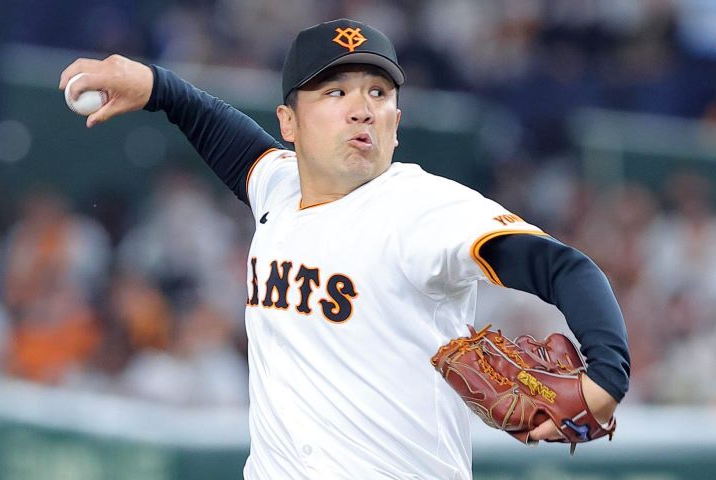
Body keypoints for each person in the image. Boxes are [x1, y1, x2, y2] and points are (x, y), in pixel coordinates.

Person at [59, 18, 630, 480]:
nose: (362, 108)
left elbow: (565, 267)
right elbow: (217, 128)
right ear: (289, 123)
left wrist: (606, 376)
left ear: (396, 123)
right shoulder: (279, 187)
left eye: (378, 93)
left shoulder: (425, 209)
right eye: (335, 92)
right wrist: (157, 87)